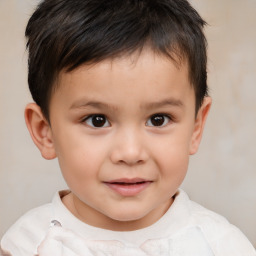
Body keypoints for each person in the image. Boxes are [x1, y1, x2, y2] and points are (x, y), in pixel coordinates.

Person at [1, 0, 255, 255]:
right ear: (45, 131)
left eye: (158, 119)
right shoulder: (23, 245)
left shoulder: (222, 246)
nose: (130, 153)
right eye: (97, 120)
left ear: (196, 127)